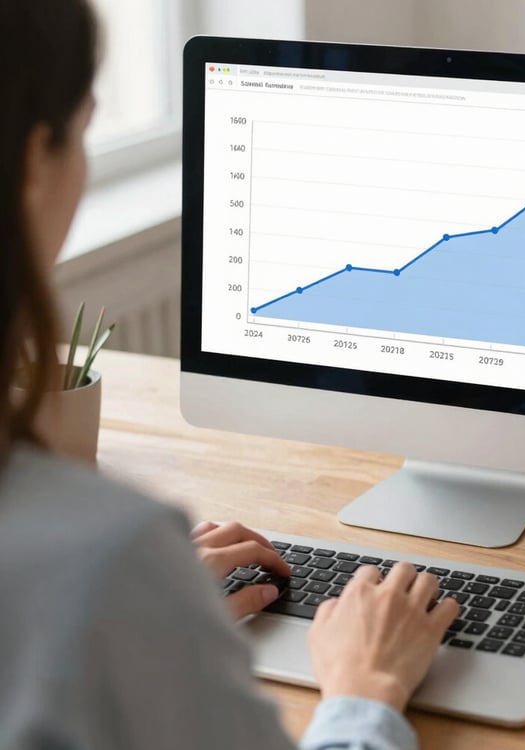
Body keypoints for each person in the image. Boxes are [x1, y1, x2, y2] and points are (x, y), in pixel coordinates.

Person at [0, 2, 459, 748]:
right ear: (30, 164)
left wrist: (146, 613)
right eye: (84, 128)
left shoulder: (106, 569)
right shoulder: (101, 553)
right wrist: (366, 691)